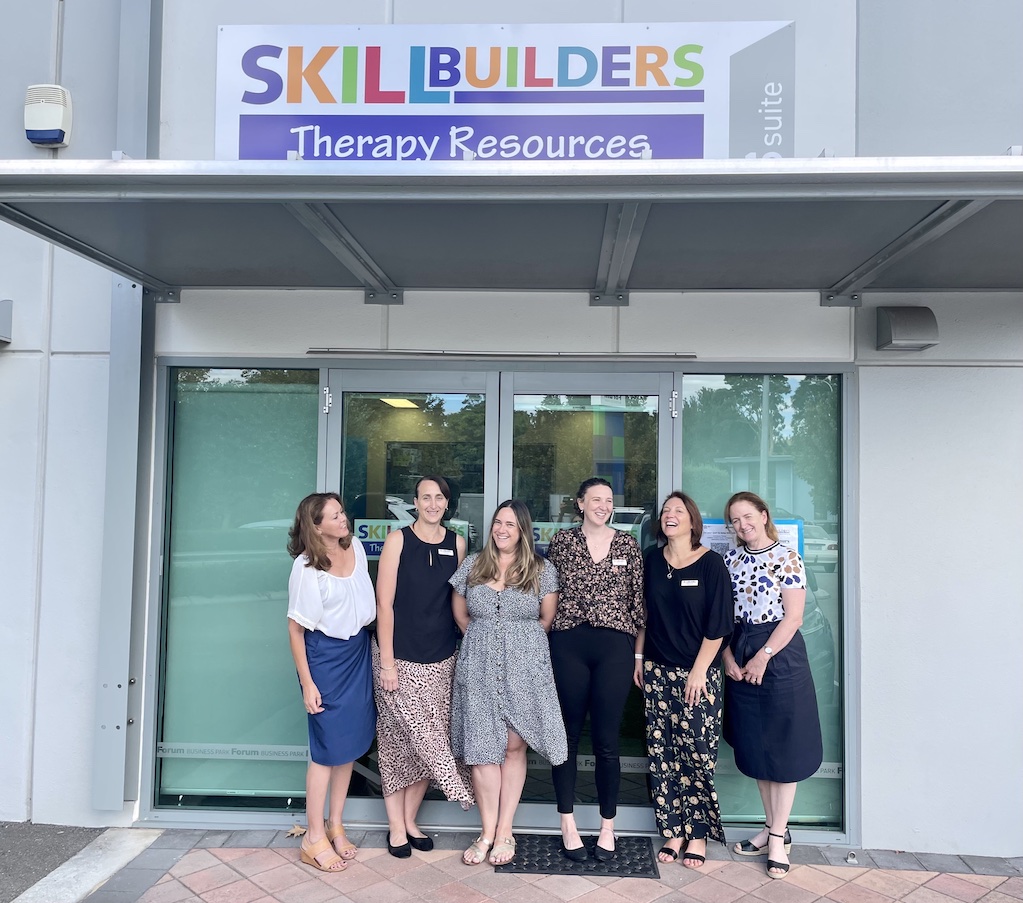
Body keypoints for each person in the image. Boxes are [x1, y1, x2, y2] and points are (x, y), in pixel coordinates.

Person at [449, 499, 567, 867]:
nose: (502, 529)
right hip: (479, 666)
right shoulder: (473, 565)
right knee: (482, 748)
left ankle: (504, 831)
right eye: (498, 523)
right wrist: (485, 640)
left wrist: (516, 643)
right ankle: (486, 833)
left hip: (525, 668)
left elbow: (546, 619)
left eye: (510, 525)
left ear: (523, 531)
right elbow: (460, 612)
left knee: (514, 747)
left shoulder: (542, 569)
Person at [721, 491, 823, 880]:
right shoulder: (729, 560)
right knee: (756, 746)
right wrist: (728, 658)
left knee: (784, 744)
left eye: (748, 516)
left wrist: (762, 657)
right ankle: (769, 827)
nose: (742, 525)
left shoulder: (787, 557)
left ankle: (779, 837)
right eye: (735, 520)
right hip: (740, 645)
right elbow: (723, 617)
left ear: (763, 516)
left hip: (779, 652)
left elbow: (793, 617)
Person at [373, 476, 475, 858]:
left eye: (439, 498)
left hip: (442, 658)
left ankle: (410, 820)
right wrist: (387, 662)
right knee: (397, 742)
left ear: (447, 503)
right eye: (425, 497)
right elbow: (384, 603)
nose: (433, 504)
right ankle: (396, 827)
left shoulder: (457, 543)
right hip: (397, 657)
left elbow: (458, 601)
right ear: (414, 502)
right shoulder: (398, 540)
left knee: (428, 742)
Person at [545, 477, 645, 862]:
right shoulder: (562, 542)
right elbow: (549, 593)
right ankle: (567, 823)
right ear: (580, 503)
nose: (603, 505)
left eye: (608, 500)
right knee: (566, 737)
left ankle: (607, 827)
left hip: (614, 648)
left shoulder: (627, 545)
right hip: (569, 643)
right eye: (596, 499)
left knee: (606, 740)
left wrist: (637, 656)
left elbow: (638, 605)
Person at [634, 492, 733, 869]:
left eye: (678, 511)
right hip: (657, 672)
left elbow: (719, 624)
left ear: (692, 521)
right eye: (665, 511)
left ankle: (698, 834)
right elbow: (643, 614)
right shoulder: (652, 560)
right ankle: (673, 830)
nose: (670, 515)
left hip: (698, 676)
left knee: (697, 753)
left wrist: (699, 671)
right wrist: (639, 658)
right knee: (662, 755)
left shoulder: (711, 564)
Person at [286, 492, 376, 873]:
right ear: (316, 525)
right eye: (335, 516)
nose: (343, 519)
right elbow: (295, 629)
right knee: (325, 749)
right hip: (324, 660)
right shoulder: (306, 567)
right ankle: (312, 836)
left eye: (342, 512)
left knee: (349, 746)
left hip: (357, 653)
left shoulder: (355, 547)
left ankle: (335, 824)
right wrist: (308, 683)